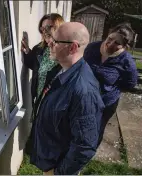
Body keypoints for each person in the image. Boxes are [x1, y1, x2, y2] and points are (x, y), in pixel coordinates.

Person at [30, 22, 105, 175]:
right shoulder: (62, 69)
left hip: (58, 167)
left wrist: (59, 173)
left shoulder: (83, 91)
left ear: (73, 47)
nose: (49, 42)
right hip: (50, 159)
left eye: (56, 41)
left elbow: (85, 146)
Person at [83, 22, 138, 146]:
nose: (111, 44)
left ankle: (89, 150)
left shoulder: (126, 61)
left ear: (125, 46)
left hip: (106, 103)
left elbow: (130, 83)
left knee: (97, 129)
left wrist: (111, 88)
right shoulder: (93, 48)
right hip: (84, 96)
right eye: (110, 38)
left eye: (117, 43)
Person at [21, 13, 64, 119]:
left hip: (55, 105)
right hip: (39, 99)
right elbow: (35, 66)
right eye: (42, 28)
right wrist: (27, 52)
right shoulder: (40, 49)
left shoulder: (65, 50)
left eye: (49, 27)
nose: (45, 31)